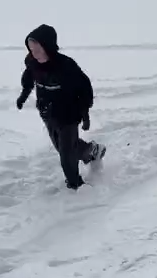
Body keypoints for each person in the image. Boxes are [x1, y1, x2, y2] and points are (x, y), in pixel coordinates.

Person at [16, 24, 106, 190]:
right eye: (31, 50)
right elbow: (28, 77)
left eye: (37, 50)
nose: (34, 54)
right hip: (48, 113)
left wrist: (85, 113)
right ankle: (92, 150)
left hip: (68, 115)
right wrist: (23, 95)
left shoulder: (66, 66)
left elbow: (84, 88)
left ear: (48, 48)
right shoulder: (33, 63)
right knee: (63, 147)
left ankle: (75, 186)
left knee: (66, 155)